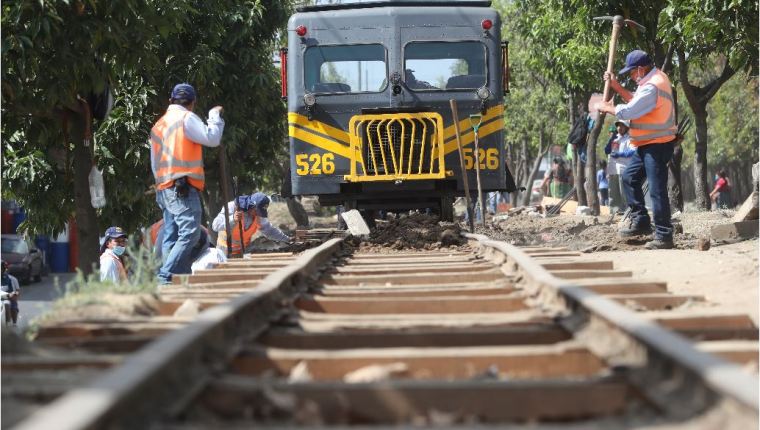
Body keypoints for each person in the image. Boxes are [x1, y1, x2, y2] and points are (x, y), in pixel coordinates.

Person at [596, 50, 677, 249]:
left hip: (657, 144)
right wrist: (616, 86)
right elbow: (635, 100)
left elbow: (631, 110)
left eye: (631, 72)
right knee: (629, 177)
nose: (631, 76)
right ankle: (641, 220)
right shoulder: (653, 80)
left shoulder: (652, 86)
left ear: (640, 69)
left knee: (657, 191)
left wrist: (608, 108)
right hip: (648, 144)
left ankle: (664, 235)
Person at [150, 83, 225, 284]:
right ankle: (165, 277)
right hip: (182, 187)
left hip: (164, 187)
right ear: (192, 103)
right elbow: (212, 138)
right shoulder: (186, 118)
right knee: (190, 233)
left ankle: (175, 279)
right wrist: (214, 116)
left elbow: (154, 161)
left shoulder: (158, 125)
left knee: (171, 235)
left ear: (170, 100)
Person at [212, 192, 291, 256]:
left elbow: (270, 231)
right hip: (224, 253)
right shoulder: (232, 207)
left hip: (242, 252)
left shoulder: (258, 215)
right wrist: (232, 219)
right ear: (251, 205)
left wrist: (288, 239)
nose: (258, 214)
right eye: (257, 211)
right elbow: (215, 226)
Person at [604, 119, 635, 213]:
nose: (619, 128)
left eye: (622, 126)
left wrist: (621, 154)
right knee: (613, 192)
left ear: (626, 127)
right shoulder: (615, 138)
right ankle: (615, 211)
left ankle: (628, 211)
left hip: (623, 169)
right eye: (618, 126)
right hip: (613, 169)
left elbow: (633, 151)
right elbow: (607, 150)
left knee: (624, 193)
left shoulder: (630, 138)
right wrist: (611, 138)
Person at [1, 260, 20, 326]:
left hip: (8, 298)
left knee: (8, 305)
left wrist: (14, 296)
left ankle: (9, 324)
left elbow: (17, 291)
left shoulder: (12, 279)